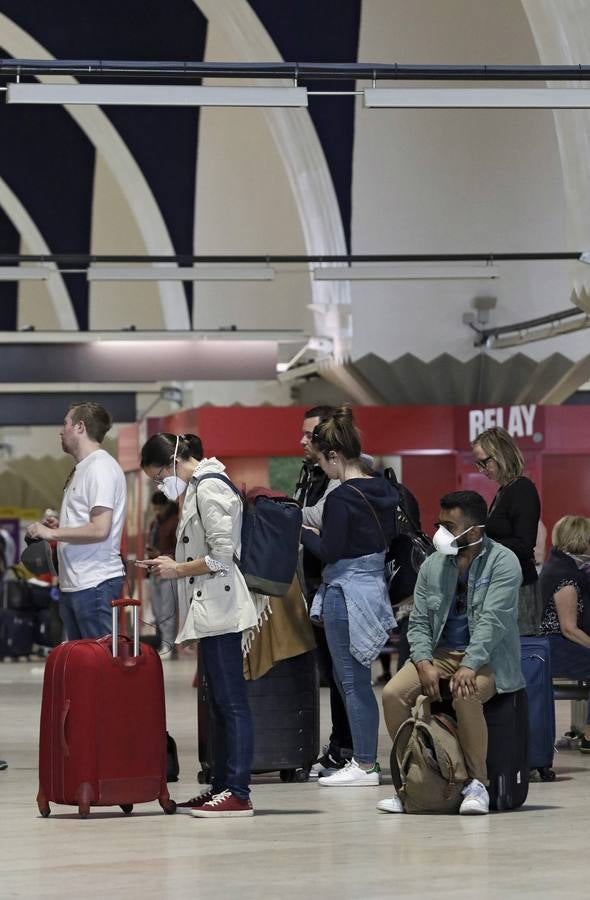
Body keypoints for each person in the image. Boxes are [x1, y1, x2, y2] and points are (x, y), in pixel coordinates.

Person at [138, 432, 260, 818]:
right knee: (219, 704)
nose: (160, 485)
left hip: (223, 606)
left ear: (172, 460)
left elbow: (223, 557)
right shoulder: (197, 488)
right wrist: (172, 566)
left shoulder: (209, 488)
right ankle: (222, 786)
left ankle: (238, 792)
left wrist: (177, 569)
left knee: (231, 703)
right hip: (210, 606)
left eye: (158, 476)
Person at [379, 490, 523, 816]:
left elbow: (493, 621)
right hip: (442, 654)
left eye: (449, 525)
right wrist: (424, 662)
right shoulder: (433, 565)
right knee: (392, 694)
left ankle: (477, 784)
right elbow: (417, 622)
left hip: (490, 657)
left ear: (474, 531)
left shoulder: (504, 562)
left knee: (464, 692)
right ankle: (414, 781)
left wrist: (470, 664)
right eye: (439, 523)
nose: (440, 532)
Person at [301, 406, 398, 787]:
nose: (323, 470)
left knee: (352, 682)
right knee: (357, 680)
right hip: (374, 589)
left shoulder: (342, 497)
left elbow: (328, 550)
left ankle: (364, 763)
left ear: (335, 456)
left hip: (345, 591)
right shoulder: (381, 488)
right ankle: (364, 760)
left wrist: (301, 531)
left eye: (324, 462)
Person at [26, 402, 126, 640]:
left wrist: (51, 534)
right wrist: (60, 527)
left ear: (80, 427)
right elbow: (88, 522)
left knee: (100, 666)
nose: (61, 431)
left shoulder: (100, 468)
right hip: (77, 585)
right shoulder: (83, 468)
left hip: (95, 584)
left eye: (66, 424)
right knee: (82, 668)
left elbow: (100, 529)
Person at [295, 404, 353, 776]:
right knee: (333, 674)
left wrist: (297, 526)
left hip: (344, 590)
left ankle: (353, 752)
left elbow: (329, 540)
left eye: (311, 435)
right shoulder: (315, 476)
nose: (304, 441)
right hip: (319, 588)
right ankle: (341, 746)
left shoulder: (348, 482)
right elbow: (311, 519)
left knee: (346, 676)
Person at [472, 427, 541, 635]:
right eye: (478, 464)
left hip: (520, 589)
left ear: (502, 453)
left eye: (485, 462)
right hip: (507, 587)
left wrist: (480, 543)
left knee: (520, 656)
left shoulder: (522, 488)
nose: (481, 469)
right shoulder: (504, 490)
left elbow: (524, 544)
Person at [539, 516, 590, 752]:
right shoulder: (567, 578)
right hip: (554, 646)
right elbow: (569, 629)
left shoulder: (557, 565)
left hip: (549, 644)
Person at [145, 490, 179, 657]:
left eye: (160, 508)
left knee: (167, 611)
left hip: (169, 571)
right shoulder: (154, 524)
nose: (157, 512)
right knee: (158, 612)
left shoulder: (175, 522)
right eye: (155, 509)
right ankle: (163, 644)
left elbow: (178, 549)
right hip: (154, 571)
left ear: (166, 506)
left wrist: (160, 552)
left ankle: (169, 645)